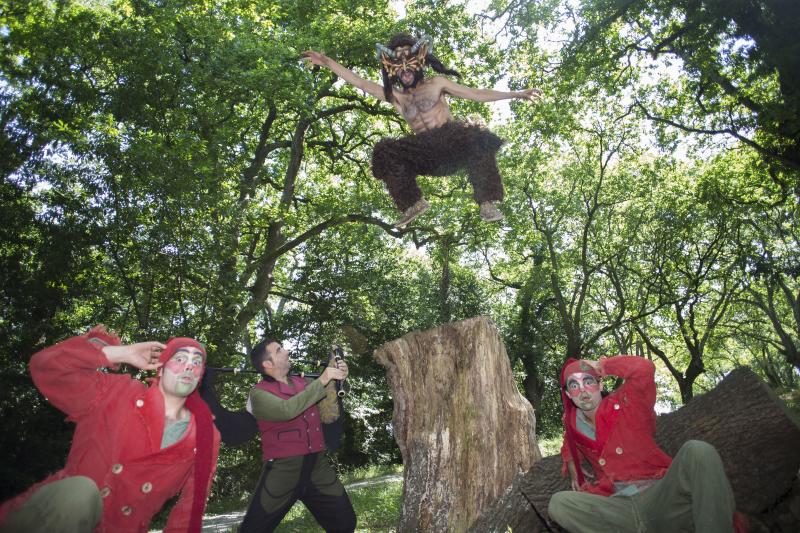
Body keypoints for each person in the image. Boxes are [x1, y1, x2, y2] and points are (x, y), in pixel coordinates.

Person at [303, 33, 541, 227]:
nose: (405, 71)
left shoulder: (436, 84)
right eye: (400, 68)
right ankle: (412, 203)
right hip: (427, 157)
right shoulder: (396, 97)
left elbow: (476, 94)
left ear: (418, 64)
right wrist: (327, 62)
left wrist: (516, 94)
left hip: (452, 147)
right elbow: (361, 83)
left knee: (476, 133)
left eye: (409, 66)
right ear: (394, 70)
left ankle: (487, 202)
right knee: (385, 150)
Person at [0, 326, 220, 533]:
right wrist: (123, 353)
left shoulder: (205, 435)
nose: (189, 366)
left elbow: (190, 507)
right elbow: (48, 367)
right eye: (179, 359)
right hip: (52, 518)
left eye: (196, 362)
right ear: (160, 369)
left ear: (200, 376)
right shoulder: (115, 392)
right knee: (79, 493)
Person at [548, 356, 747, 533]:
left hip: (660, 497)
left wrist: (602, 365)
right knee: (559, 503)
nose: (582, 389)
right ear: (569, 394)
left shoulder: (627, 402)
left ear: (600, 385)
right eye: (574, 385)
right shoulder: (573, 424)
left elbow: (644, 369)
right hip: (620, 509)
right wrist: (572, 465)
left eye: (588, 381)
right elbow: (569, 442)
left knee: (698, 451)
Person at [239, 339, 356, 533]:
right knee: (253, 529)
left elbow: (333, 399)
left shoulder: (305, 382)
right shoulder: (258, 394)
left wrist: (340, 377)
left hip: (318, 467)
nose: (286, 351)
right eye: (279, 350)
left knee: (345, 522)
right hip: (283, 471)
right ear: (267, 364)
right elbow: (287, 410)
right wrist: (324, 378)